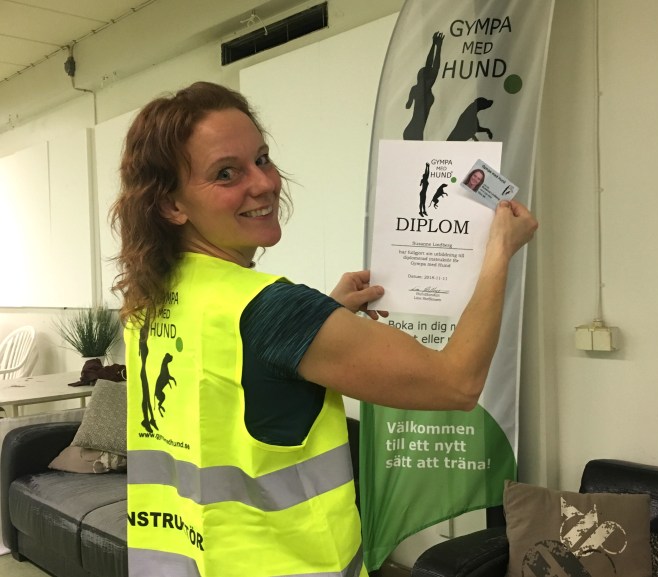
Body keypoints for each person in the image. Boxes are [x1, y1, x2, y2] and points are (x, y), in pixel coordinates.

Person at [110, 81, 537, 577]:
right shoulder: (271, 311)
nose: (264, 183)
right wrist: (499, 252)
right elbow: (457, 383)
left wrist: (323, 314)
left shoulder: (150, 297)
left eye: (262, 159)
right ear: (171, 205)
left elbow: (237, 386)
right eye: (226, 173)